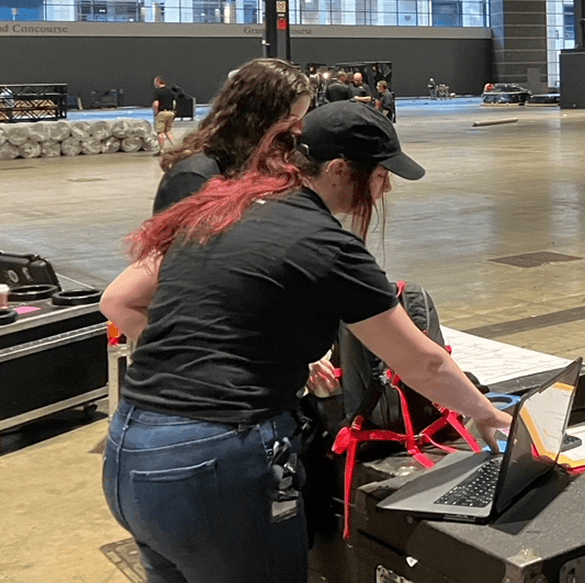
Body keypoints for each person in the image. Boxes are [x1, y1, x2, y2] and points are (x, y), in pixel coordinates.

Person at [100, 101, 512, 583]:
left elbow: (118, 300)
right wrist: (486, 412)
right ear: (339, 170)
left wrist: (202, 356)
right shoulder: (325, 244)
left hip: (132, 451)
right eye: (380, 175)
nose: (385, 188)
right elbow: (424, 365)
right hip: (219, 462)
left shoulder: (219, 209)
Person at [152, 58, 312, 213]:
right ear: (259, 118)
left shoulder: (259, 163)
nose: (298, 130)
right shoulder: (195, 176)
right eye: (291, 120)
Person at [152, 76, 178, 152]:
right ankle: (176, 148)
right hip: (170, 113)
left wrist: (156, 112)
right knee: (168, 131)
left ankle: (162, 150)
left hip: (162, 112)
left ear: (158, 82)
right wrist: (173, 111)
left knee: (160, 133)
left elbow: (156, 104)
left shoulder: (157, 92)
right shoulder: (170, 91)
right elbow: (174, 103)